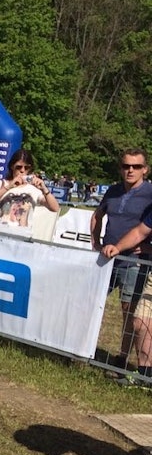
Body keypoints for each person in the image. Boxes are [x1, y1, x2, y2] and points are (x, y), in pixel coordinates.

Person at [93, 149, 152, 371]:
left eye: (136, 167)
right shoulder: (113, 190)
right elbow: (96, 217)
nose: (130, 170)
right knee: (91, 302)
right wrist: (96, 244)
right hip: (106, 259)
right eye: (126, 166)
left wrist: (148, 248)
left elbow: (143, 230)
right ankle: (83, 347)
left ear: (145, 169)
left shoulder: (150, 193)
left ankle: (122, 358)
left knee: (129, 312)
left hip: (134, 262)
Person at [0, 148, 59, 235]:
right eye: (19, 167)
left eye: (26, 167)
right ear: (12, 167)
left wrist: (44, 189)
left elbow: (55, 208)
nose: (22, 170)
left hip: (22, 235)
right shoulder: (0, 183)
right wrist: (9, 186)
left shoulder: (33, 189)